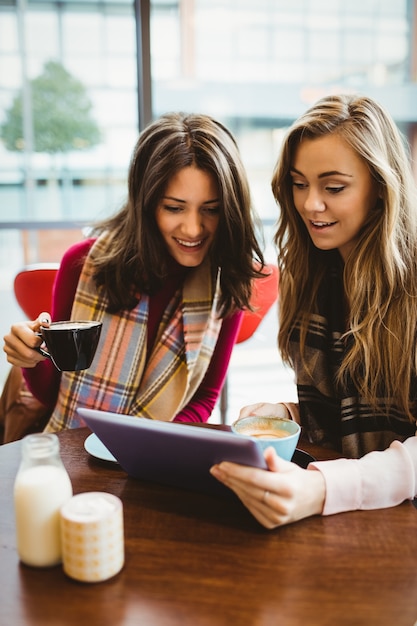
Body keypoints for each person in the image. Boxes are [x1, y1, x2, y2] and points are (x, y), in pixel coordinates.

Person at [210, 93, 417, 528]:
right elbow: (355, 417)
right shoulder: (316, 276)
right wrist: (287, 416)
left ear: (381, 188)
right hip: (356, 521)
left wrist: (323, 488)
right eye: (299, 183)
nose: (310, 204)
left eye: (333, 187)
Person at [2, 112, 265, 441]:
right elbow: (53, 393)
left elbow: (204, 398)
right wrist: (30, 358)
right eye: (174, 207)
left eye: (210, 209)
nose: (194, 229)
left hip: (155, 457)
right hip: (73, 451)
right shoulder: (83, 265)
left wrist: (147, 445)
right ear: (146, 202)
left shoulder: (226, 279)